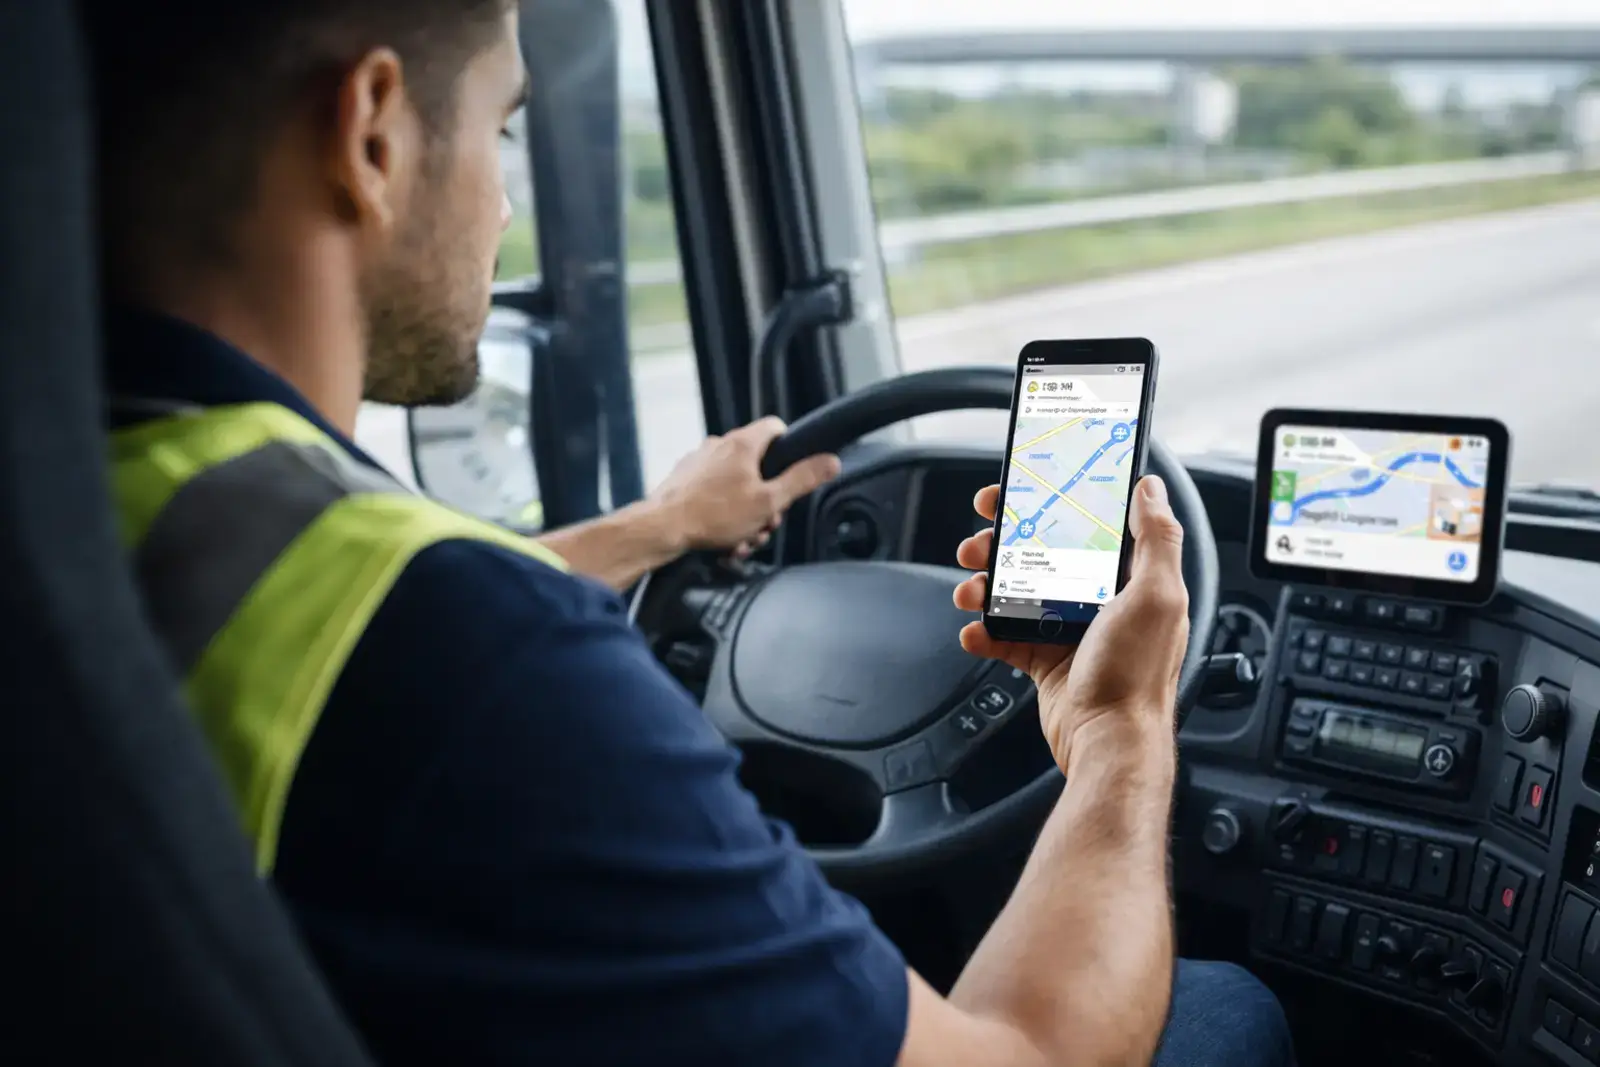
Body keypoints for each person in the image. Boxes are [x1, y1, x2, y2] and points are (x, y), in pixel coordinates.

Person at [82, 3, 1295, 1066]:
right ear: (374, 130)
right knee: (1226, 1007)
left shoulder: (99, 498)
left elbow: (336, 598)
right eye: (503, 132)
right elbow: (1031, 1054)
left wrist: (664, 526)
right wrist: (1118, 730)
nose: (504, 201)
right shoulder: (478, 668)